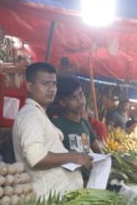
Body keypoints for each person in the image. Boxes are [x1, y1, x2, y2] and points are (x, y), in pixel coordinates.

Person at [12, 63, 92, 197]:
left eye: (54, 84)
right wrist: (74, 157)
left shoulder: (39, 114)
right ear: (29, 86)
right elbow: (36, 158)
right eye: (45, 83)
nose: (51, 89)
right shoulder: (30, 116)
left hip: (57, 198)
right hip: (47, 201)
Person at [52, 76, 102, 155]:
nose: (80, 101)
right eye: (73, 98)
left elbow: (99, 151)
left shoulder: (85, 123)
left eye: (81, 94)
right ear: (62, 102)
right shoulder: (56, 125)